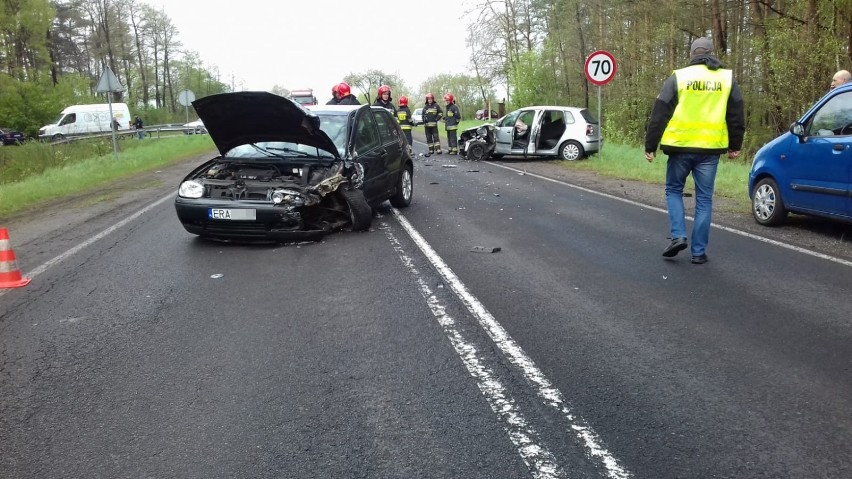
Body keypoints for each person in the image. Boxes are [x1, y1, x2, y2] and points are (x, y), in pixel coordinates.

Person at [644, 36, 745, 265]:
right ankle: (698, 252)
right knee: (704, 200)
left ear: (692, 54)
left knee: (673, 190)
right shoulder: (727, 78)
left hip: (680, 147)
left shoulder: (679, 76)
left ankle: (678, 235)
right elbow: (737, 113)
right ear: (712, 52)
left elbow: (660, 112)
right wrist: (735, 145)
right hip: (710, 150)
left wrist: (651, 145)